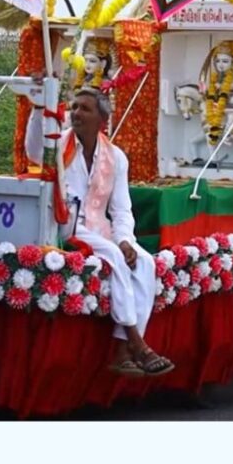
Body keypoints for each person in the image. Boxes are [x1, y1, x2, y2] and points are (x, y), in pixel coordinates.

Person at [26, 86, 173, 377]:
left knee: (144, 263)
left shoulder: (116, 157)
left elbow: (121, 209)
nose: (76, 113)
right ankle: (137, 342)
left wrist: (125, 241)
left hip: (99, 229)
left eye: (85, 109)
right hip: (66, 226)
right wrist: (37, 107)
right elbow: (32, 149)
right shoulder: (58, 144)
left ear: (101, 120)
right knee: (115, 258)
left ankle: (120, 350)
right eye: (74, 107)